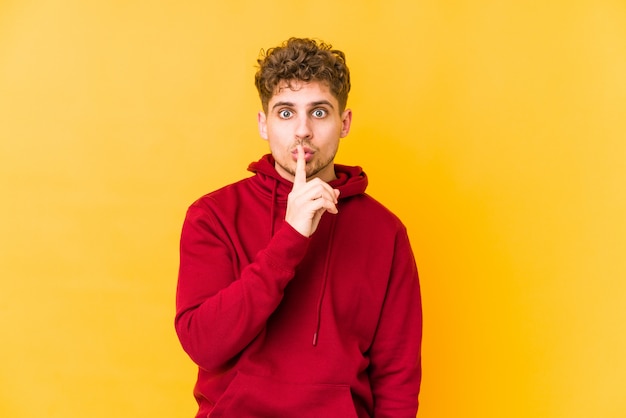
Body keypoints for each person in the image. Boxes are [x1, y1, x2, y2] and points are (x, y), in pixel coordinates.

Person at [175, 37, 422, 417]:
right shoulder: (213, 215)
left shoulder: (385, 232)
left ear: (345, 123)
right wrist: (290, 237)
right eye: (286, 113)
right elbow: (204, 345)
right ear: (264, 123)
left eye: (319, 112)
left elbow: (397, 376)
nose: (303, 130)